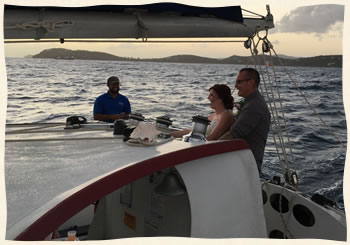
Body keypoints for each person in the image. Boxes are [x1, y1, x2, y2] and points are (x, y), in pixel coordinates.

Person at [220, 68, 271, 172]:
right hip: (240, 162)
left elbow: (233, 135)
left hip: (245, 167)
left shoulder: (254, 106)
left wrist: (209, 149)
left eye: (239, 82)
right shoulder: (251, 102)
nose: (235, 86)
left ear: (251, 82)